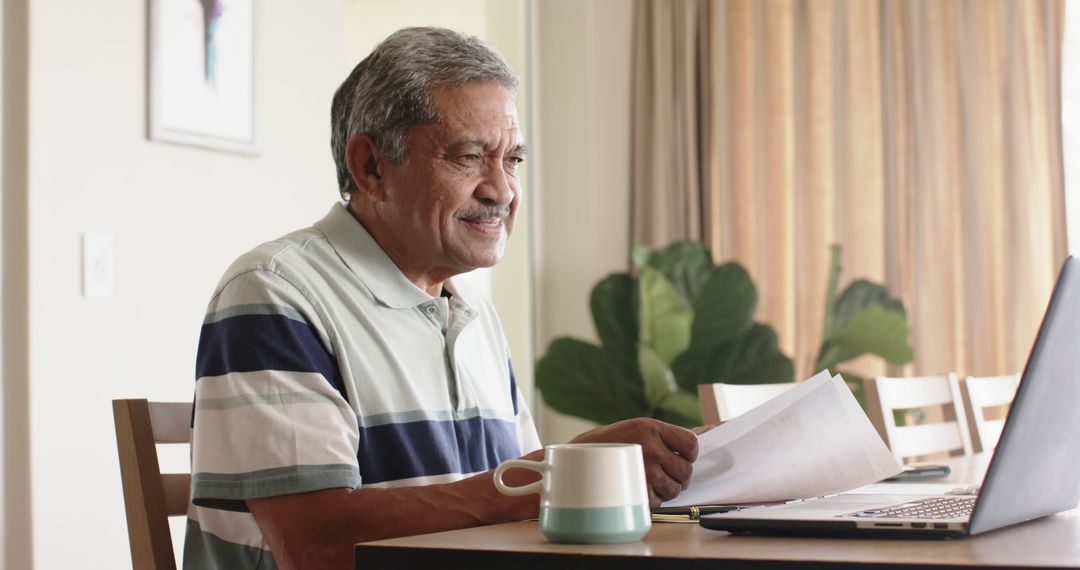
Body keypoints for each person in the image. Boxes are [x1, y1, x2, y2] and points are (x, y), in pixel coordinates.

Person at [183, 27, 700, 570]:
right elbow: (318, 544)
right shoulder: (276, 293)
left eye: (513, 161)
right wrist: (557, 474)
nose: (501, 190)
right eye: (470, 156)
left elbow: (516, 512)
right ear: (371, 167)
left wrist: (577, 473)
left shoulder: (473, 310)